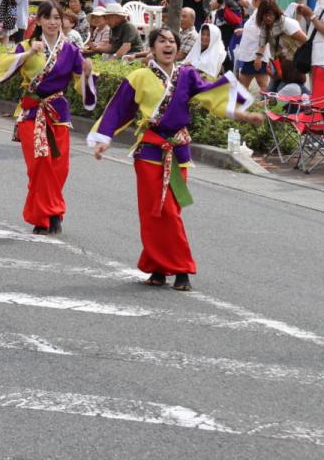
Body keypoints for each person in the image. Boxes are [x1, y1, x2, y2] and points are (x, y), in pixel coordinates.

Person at [89, 27, 261, 291]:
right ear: (152, 47)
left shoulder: (187, 75)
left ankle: (168, 268)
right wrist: (104, 138)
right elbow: (118, 108)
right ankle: (170, 268)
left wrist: (245, 114)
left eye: (172, 41)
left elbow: (212, 96)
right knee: (154, 212)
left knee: (171, 211)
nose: (168, 45)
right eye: (161, 41)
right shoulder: (139, 76)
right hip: (149, 152)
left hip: (178, 152)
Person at [0, 0, 95, 235]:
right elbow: (4, 65)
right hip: (31, 111)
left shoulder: (70, 50)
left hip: (58, 112)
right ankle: (46, 215)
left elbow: (79, 85)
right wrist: (27, 53)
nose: (53, 23)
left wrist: (87, 74)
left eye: (57, 18)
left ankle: (52, 212)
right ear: (39, 21)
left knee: (59, 167)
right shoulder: (27, 45)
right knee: (39, 166)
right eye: (48, 18)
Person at [253, 0, 308, 88]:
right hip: (278, 64)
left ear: (276, 13)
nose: (268, 18)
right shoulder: (265, 26)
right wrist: (258, 58)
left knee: (286, 91)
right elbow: (262, 43)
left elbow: (305, 41)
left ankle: (309, 98)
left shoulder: (287, 23)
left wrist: (302, 60)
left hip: (292, 65)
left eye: (270, 14)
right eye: (265, 15)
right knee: (273, 93)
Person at [233, 0, 274, 90]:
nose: (251, 1)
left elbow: (264, 37)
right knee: (261, 84)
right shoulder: (257, 12)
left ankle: (246, 105)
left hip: (255, 56)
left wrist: (259, 57)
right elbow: (255, 30)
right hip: (251, 55)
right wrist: (243, 30)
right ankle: (267, 104)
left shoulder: (264, 15)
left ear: (259, 0)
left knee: (245, 84)